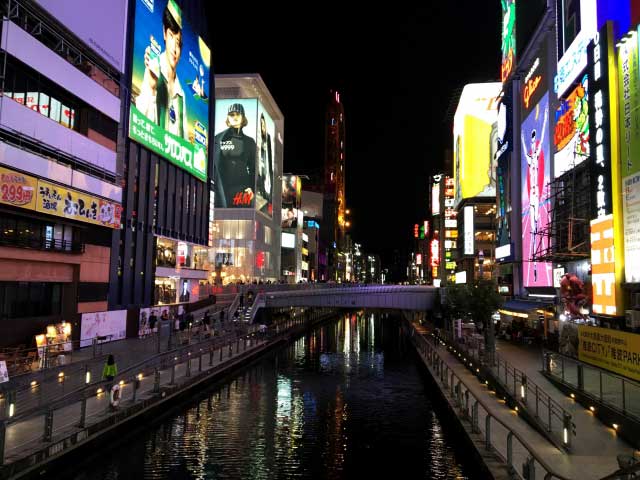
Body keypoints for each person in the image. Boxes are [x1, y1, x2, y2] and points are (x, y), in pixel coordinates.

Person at [135, 0, 188, 140]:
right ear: (164, 33)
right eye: (171, 36)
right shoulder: (153, 68)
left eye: (179, 43)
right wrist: (152, 88)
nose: (175, 49)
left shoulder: (181, 93)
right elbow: (137, 122)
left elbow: (184, 141)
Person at [522, 107, 548, 283]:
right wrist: (523, 139)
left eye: (533, 141)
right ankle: (534, 262)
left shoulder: (536, 156)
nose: (533, 144)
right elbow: (524, 150)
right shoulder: (530, 157)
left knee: (537, 228)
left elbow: (545, 132)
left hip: (536, 195)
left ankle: (538, 263)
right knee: (532, 230)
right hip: (532, 197)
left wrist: (545, 117)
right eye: (531, 142)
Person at [214, 103, 256, 207]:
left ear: (243, 117)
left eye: (238, 114)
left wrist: (252, 188)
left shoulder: (249, 142)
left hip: (242, 191)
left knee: (241, 219)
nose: (235, 117)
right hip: (222, 189)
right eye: (231, 114)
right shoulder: (218, 139)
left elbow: (254, 168)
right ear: (228, 117)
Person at [256, 113, 273, 213]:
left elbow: (270, 158)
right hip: (260, 169)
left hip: (266, 168)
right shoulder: (258, 138)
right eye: (261, 124)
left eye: (264, 124)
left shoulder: (268, 138)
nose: (263, 126)